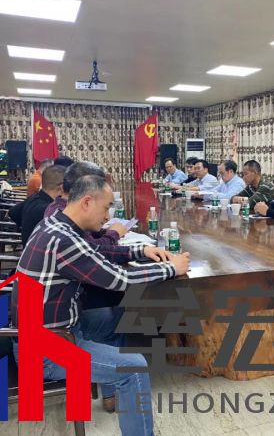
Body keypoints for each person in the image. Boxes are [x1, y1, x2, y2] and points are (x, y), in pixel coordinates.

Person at [14, 175, 190, 435]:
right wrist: (171, 268)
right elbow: (121, 280)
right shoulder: (64, 240)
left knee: (117, 317)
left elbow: (94, 252)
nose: (108, 216)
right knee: (134, 367)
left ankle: (111, 393)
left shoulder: (56, 224)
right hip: (45, 349)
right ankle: (124, 388)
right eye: (106, 207)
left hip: (56, 329)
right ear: (87, 202)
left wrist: (140, 251)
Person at [45, 161, 128, 242]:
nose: (107, 217)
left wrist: (105, 232)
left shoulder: (59, 206)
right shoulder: (62, 213)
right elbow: (91, 247)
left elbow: (88, 235)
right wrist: (114, 234)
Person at [18, 165, 65, 245]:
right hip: (39, 250)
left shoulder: (33, 198)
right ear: (62, 187)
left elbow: (12, 212)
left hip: (28, 248)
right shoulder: (50, 210)